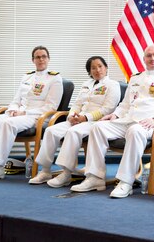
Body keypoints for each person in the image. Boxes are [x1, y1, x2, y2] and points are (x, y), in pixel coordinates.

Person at [70, 45, 154, 198]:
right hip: (128, 120)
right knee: (98, 127)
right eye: (149, 56)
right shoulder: (136, 78)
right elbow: (125, 104)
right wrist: (115, 115)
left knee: (135, 130)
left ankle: (126, 182)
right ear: (144, 59)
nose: (152, 59)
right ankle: (95, 177)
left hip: (152, 125)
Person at [29, 56, 120, 187]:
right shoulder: (86, 84)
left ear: (106, 68)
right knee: (50, 131)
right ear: (89, 71)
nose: (97, 70)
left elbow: (107, 109)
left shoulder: (113, 85)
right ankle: (45, 170)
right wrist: (71, 116)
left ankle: (66, 173)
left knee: (73, 132)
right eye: (93, 68)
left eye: (100, 66)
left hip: (96, 122)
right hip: (78, 119)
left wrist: (86, 118)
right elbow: (77, 104)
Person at [0, 46, 63, 181]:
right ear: (33, 60)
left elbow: (51, 107)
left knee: (8, 123)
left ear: (48, 59)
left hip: (36, 117)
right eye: (37, 57)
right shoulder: (26, 77)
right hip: (20, 114)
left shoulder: (55, 79)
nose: (41, 59)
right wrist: (13, 110)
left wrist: (24, 112)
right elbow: (16, 99)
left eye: (43, 56)